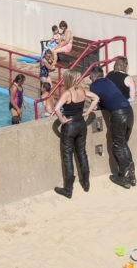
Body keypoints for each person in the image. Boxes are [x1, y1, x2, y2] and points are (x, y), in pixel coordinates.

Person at [53, 69, 98, 198]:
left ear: (67, 79)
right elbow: (96, 98)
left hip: (70, 126)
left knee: (67, 157)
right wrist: (87, 112)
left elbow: (56, 108)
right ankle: (86, 182)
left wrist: (62, 120)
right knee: (82, 153)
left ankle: (68, 189)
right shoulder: (83, 91)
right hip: (81, 124)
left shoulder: (67, 93)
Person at [88, 65, 135, 188]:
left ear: (93, 77)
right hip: (129, 111)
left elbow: (97, 102)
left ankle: (124, 177)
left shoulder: (94, 86)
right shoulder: (108, 81)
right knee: (123, 143)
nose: (89, 79)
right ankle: (132, 176)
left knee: (117, 146)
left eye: (90, 77)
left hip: (118, 114)